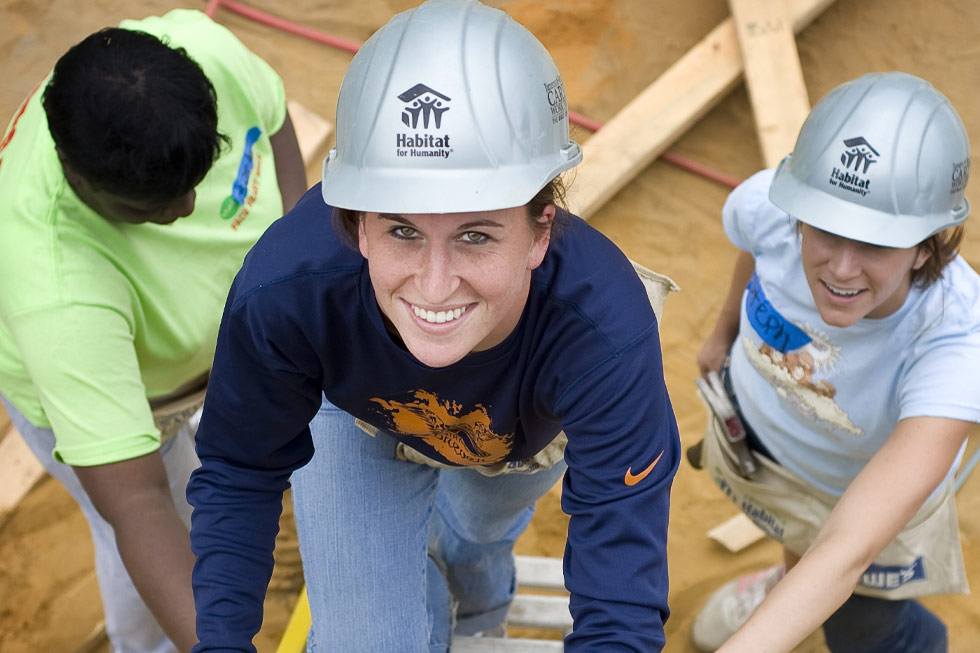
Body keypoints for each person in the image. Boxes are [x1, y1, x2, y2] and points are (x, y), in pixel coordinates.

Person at [186, 0, 680, 650]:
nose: (435, 284)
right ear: (358, 224)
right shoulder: (289, 290)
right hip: (356, 415)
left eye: (476, 234)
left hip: (518, 430)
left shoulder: (602, 333)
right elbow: (239, 469)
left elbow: (620, 603)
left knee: (475, 532)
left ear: (540, 233)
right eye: (402, 230)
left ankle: (473, 601)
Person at [0, 9, 305, 653]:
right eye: (155, 207)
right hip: (141, 398)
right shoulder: (54, 288)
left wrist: (299, 282)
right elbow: (137, 504)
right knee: (168, 528)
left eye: (197, 179)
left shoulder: (201, 54)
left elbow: (272, 125)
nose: (188, 208)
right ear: (77, 178)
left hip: (221, 351)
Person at [690, 71, 980, 652]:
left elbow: (849, 548)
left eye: (875, 241)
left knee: (865, 631)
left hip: (857, 501)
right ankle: (789, 581)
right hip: (770, 451)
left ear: (928, 242)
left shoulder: (956, 343)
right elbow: (756, 250)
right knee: (799, 546)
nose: (842, 270)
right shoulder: (769, 208)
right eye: (826, 229)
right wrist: (723, 331)